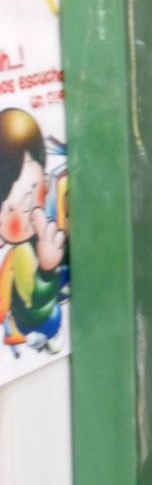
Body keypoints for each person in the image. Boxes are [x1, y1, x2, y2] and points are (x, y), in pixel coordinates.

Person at [0, 107, 67, 356]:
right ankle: (38, 334)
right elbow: (35, 298)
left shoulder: (41, 231)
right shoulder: (22, 255)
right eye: (14, 208)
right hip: (33, 315)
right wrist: (47, 271)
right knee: (51, 316)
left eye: (35, 190)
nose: (30, 209)